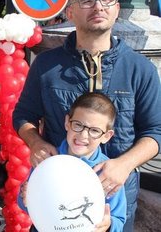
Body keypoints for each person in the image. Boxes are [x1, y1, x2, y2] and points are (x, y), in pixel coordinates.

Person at [12, 0, 161, 231]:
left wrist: (124, 165)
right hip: (54, 196)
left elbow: (156, 131)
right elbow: (23, 115)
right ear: (70, 12)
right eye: (87, 0)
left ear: (117, 8)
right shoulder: (46, 65)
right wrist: (35, 142)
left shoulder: (140, 69)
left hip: (117, 196)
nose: (98, 6)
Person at [19, 92, 127, 232]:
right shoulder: (46, 162)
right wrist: (26, 199)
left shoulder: (108, 172)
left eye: (94, 130)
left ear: (106, 136)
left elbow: (119, 219)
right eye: (78, 125)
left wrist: (109, 225)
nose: (83, 135)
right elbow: (25, 204)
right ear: (67, 123)